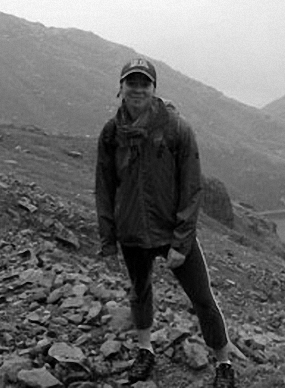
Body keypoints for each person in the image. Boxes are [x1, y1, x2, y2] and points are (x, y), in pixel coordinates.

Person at [95, 57, 236, 387]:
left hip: (172, 233)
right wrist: (108, 238)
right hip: (132, 232)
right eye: (132, 82)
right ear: (121, 87)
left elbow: (191, 187)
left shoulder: (175, 127)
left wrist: (181, 241)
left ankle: (224, 362)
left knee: (202, 298)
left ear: (154, 88)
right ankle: (145, 350)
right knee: (140, 293)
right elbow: (104, 186)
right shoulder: (112, 132)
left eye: (145, 83)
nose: (138, 88)